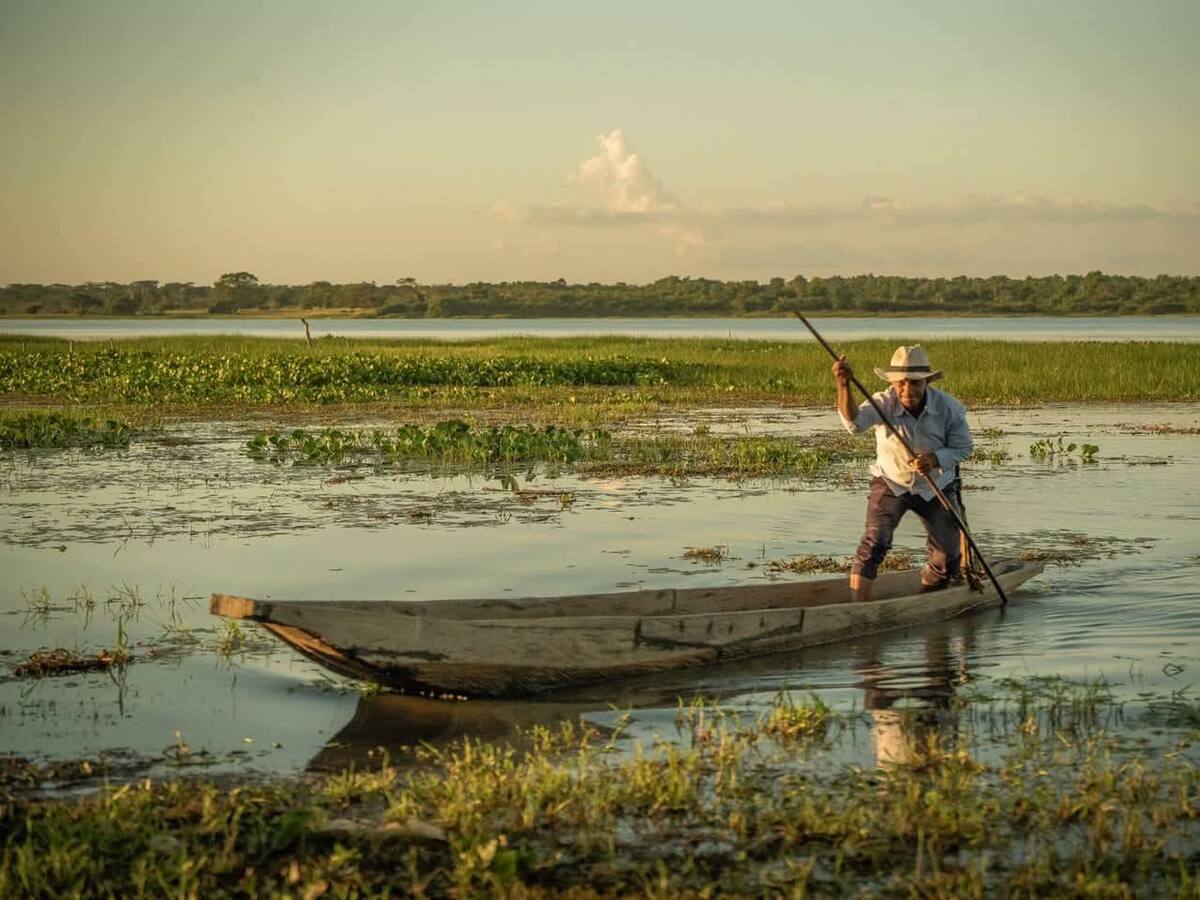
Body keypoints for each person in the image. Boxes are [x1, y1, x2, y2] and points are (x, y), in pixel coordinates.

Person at [832, 345, 973, 602]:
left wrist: (933, 459)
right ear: (894, 383)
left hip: (937, 485)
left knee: (948, 556)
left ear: (927, 382)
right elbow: (854, 423)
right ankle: (857, 608)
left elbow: (963, 448)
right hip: (891, 482)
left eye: (915, 384)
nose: (908, 391)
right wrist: (844, 386)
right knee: (875, 541)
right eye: (901, 384)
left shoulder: (948, 408)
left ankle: (927, 599)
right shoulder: (883, 402)